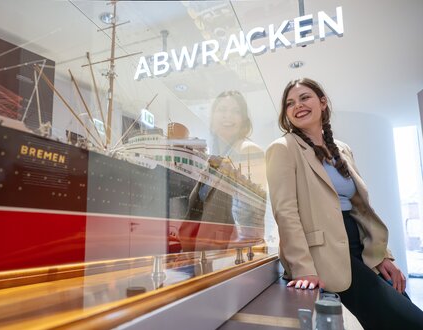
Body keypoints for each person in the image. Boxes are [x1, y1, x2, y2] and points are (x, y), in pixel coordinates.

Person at [266, 77, 423, 329]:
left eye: (305, 97)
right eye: (290, 103)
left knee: (401, 307)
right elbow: (285, 212)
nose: (298, 106)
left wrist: (383, 255)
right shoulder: (283, 148)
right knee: (409, 321)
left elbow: (361, 208)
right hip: (325, 252)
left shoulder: (342, 149)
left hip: (360, 243)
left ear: (323, 102)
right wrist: (303, 268)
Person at [180, 90, 266, 252]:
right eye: (222, 110)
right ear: (212, 118)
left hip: (230, 259)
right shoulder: (214, 161)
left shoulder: (248, 151)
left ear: (243, 121)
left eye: (236, 111)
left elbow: (253, 214)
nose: (228, 116)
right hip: (203, 254)